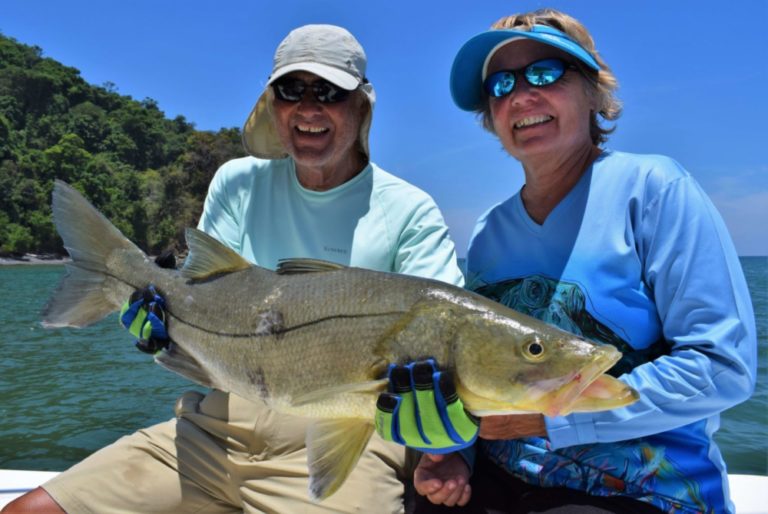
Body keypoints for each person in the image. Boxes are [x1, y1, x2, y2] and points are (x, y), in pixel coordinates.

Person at [4, 24, 464, 514]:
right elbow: (206, 293)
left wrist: (449, 448)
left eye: (329, 91)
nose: (309, 107)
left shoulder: (410, 210)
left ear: (361, 106)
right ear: (273, 104)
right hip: (215, 426)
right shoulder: (236, 181)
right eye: (292, 90)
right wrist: (166, 331)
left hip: (348, 442)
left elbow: (447, 345)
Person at [378, 9, 756, 514]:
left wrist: (548, 420)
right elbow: (482, 372)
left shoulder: (655, 190)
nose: (521, 94)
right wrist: (454, 457)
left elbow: (722, 366)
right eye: (501, 83)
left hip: (642, 493)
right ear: (491, 116)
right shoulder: (490, 230)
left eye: (545, 72)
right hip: (501, 479)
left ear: (594, 91)